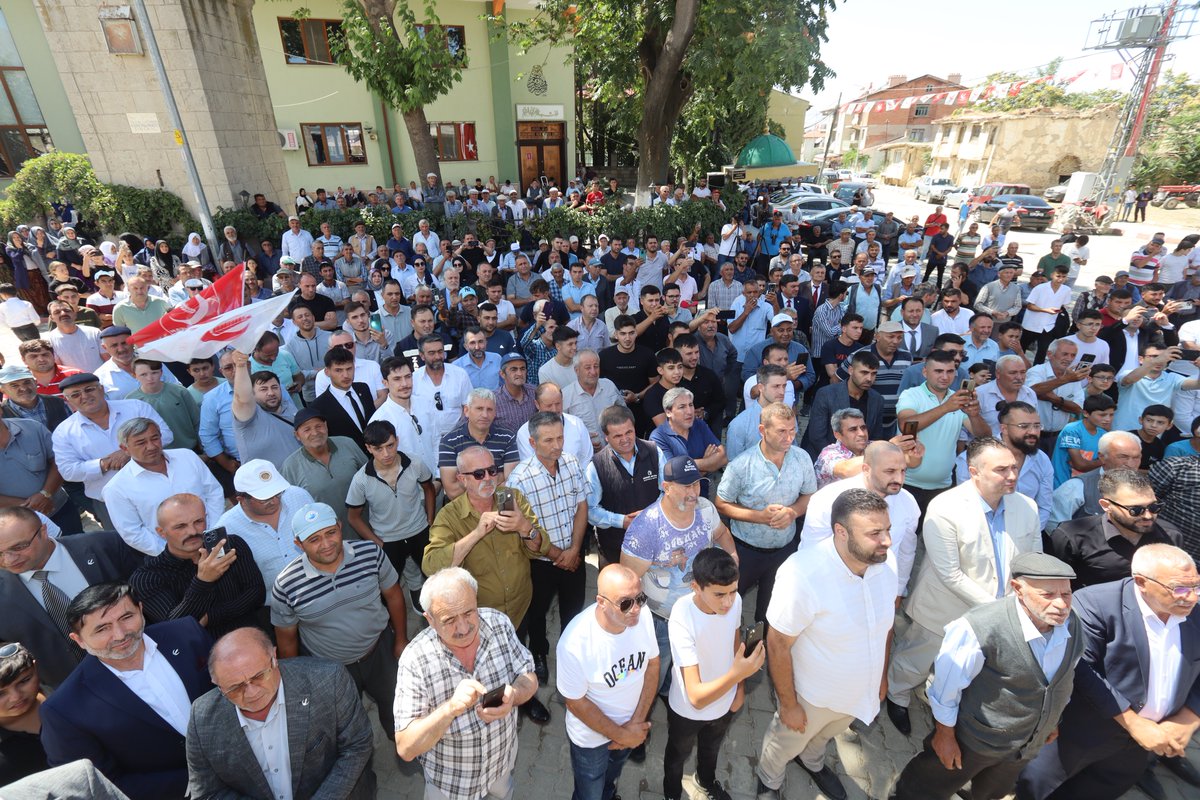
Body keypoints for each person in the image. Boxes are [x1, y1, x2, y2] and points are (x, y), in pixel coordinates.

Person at [891, 552, 1084, 800]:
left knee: (990, 792)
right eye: (1048, 595)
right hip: (973, 741)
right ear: (1018, 589)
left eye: (1066, 594)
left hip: (1023, 747)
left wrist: (1050, 721)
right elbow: (945, 689)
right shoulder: (980, 627)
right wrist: (945, 735)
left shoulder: (1072, 623)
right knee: (925, 787)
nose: (1061, 604)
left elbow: (1062, 679)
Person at [886, 437, 1044, 736]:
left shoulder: (1027, 507)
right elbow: (950, 574)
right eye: (1001, 470)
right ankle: (897, 695)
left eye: (1014, 467)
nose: (1012, 475)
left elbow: (1034, 560)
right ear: (974, 472)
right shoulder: (945, 507)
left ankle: (942, 702)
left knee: (966, 666)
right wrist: (1000, 611)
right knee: (916, 661)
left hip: (999, 614)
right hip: (944, 609)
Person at [1017, 544, 1200, 799]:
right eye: (1179, 589)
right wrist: (1134, 723)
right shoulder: (1094, 603)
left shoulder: (1195, 612)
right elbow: (1080, 667)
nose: (1191, 597)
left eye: (1196, 586)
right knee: (1039, 790)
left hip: (1141, 746)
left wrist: (1189, 719)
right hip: (1081, 734)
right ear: (1141, 582)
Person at [755, 489, 896, 800]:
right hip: (812, 697)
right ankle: (769, 779)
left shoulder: (886, 562)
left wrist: (881, 677)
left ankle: (812, 761)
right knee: (785, 742)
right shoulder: (803, 574)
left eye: (888, 529)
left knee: (824, 737)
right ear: (841, 532)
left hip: (858, 693)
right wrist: (789, 705)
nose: (886, 540)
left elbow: (886, 628)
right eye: (874, 533)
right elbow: (777, 643)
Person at [39, 583, 212, 800]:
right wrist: (198, 781)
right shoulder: (64, 709)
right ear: (79, 640)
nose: (120, 634)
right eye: (102, 629)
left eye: (126, 617)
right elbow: (98, 786)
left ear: (141, 609)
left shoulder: (187, 633)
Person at [422, 445, 554, 724]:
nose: (489, 478)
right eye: (479, 474)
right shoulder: (450, 515)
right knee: (489, 666)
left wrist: (524, 528)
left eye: (493, 470)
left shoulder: (511, 498)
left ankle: (523, 698)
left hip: (519, 606)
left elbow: (540, 547)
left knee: (518, 654)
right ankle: (492, 709)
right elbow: (432, 566)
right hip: (482, 616)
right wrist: (476, 533)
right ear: (462, 479)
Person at [394, 567, 539, 798]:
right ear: (430, 620)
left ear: (476, 600)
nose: (463, 628)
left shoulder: (499, 624)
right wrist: (450, 709)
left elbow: (528, 675)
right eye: (449, 620)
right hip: (452, 787)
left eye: (469, 612)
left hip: (501, 769)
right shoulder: (415, 660)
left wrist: (514, 695)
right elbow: (406, 747)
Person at [186, 627, 376, 800]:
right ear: (219, 687)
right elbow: (207, 792)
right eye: (235, 688)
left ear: (274, 658)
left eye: (259, 676)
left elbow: (357, 745)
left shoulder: (328, 679)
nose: (251, 693)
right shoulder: (201, 719)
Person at [271, 502, 407, 738]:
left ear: (340, 526)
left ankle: (404, 748)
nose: (326, 544)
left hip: (379, 651)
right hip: (329, 668)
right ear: (298, 544)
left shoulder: (370, 553)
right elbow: (287, 640)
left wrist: (401, 640)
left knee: (398, 709)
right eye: (314, 539)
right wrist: (297, 681)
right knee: (345, 727)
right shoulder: (286, 584)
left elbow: (394, 595)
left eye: (331, 533)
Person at [0, 507, 141, 688]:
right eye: (0, 554)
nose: (9, 560)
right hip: (74, 689)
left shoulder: (105, 546)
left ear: (43, 531)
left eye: (19, 547)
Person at [663, 548, 763, 800]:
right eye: (719, 594)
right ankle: (672, 792)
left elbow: (735, 641)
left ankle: (706, 780)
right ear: (696, 587)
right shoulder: (681, 616)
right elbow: (696, 697)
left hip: (725, 702)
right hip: (687, 711)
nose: (728, 602)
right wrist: (737, 676)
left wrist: (739, 689)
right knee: (677, 755)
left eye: (733, 591)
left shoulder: (734, 601)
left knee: (711, 749)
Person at [557, 563, 659, 800]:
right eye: (625, 603)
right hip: (591, 739)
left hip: (631, 724)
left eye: (640, 598)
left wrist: (636, 722)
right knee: (590, 791)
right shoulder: (574, 644)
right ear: (601, 602)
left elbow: (653, 665)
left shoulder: (643, 616)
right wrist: (622, 735)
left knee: (611, 776)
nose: (635, 609)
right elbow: (575, 703)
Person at [715, 401, 816, 622]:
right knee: (729, 607)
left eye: (793, 430)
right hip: (746, 551)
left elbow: (809, 495)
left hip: (785, 551)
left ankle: (762, 640)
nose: (789, 437)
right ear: (763, 430)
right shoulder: (741, 465)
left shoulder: (802, 458)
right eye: (781, 431)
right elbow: (721, 503)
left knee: (772, 612)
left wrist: (793, 512)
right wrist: (759, 517)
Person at [508, 411, 589, 688]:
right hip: (540, 563)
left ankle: (571, 653)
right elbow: (523, 530)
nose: (557, 446)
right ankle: (539, 653)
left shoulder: (572, 463)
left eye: (560, 438)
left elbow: (582, 506)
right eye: (548, 440)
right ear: (532, 443)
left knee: (574, 609)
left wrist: (575, 549)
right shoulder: (519, 480)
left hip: (574, 555)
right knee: (537, 613)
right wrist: (559, 555)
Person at [130, 492, 264, 636]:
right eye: (180, 526)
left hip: (252, 637)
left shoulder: (231, 545)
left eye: (198, 521)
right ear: (161, 532)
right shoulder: (147, 578)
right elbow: (176, 626)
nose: (192, 531)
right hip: (202, 648)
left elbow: (257, 594)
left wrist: (211, 617)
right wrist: (203, 581)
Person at [53, 373, 175, 530]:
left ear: (102, 389)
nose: (85, 396)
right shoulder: (64, 432)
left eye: (89, 389)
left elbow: (165, 434)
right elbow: (68, 471)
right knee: (127, 543)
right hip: (110, 503)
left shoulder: (135, 407)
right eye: (75, 394)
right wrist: (103, 464)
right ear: (67, 400)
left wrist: (128, 453)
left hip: (159, 489)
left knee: (176, 532)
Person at [800, 440, 921, 597]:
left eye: (903, 471)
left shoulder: (908, 502)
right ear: (866, 469)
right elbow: (810, 553)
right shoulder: (827, 499)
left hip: (881, 591)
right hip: (833, 591)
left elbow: (906, 552)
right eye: (890, 471)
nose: (898, 479)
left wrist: (898, 590)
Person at [347, 420, 436, 612]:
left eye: (390, 445)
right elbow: (353, 517)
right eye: (378, 449)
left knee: (435, 576)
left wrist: (430, 520)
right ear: (368, 448)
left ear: (397, 440)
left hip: (420, 531)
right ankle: (396, 618)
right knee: (389, 587)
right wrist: (378, 542)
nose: (386, 454)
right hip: (388, 541)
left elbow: (429, 488)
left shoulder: (415, 463)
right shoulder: (361, 480)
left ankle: (435, 607)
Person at [101, 418, 224, 556]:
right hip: (171, 557)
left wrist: (212, 535)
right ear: (125, 449)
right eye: (141, 443)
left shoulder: (187, 457)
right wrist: (176, 554)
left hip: (215, 543)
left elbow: (214, 493)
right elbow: (133, 532)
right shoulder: (116, 488)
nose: (151, 446)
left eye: (155, 438)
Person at [1045, 468, 1183, 591]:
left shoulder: (1171, 536)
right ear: (1106, 506)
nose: (1148, 516)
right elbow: (1055, 587)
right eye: (1136, 510)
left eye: (1154, 507)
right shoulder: (1072, 537)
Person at [896, 350, 991, 509]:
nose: (945, 377)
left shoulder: (957, 399)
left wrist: (974, 415)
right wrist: (946, 407)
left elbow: (984, 436)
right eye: (938, 371)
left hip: (943, 487)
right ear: (925, 372)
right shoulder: (911, 395)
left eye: (950, 371)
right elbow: (906, 425)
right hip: (906, 483)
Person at [954, 401, 1054, 531]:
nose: (1033, 432)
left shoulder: (1042, 459)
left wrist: (1029, 534)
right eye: (1024, 426)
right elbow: (966, 506)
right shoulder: (972, 459)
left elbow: (1044, 507)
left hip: (1027, 533)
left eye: (1037, 426)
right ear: (1004, 429)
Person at [585, 405, 662, 567]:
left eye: (629, 432)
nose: (625, 439)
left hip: (655, 542)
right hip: (615, 548)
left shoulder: (655, 452)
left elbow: (668, 490)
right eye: (618, 436)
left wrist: (651, 514)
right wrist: (622, 521)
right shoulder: (596, 466)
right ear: (606, 437)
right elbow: (590, 510)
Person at [280, 408, 367, 532]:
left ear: (326, 426)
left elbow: (371, 477)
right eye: (307, 429)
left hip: (370, 527)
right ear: (297, 435)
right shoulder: (290, 466)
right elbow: (291, 508)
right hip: (329, 538)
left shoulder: (347, 444)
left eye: (318, 426)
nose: (315, 433)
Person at [0, 414, 80, 534]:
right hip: (16, 525)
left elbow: (60, 460)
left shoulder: (32, 428)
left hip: (59, 509)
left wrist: (45, 494)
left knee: (77, 542)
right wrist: (27, 506)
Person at [802, 350, 885, 457]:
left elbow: (876, 438)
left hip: (861, 460)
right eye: (864, 373)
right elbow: (817, 437)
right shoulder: (826, 394)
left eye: (873, 374)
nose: (869, 378)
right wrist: (842, 460)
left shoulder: (877, 399)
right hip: (826, 458)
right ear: (851, 370)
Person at [370, 356, 440, 476]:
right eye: (397, 379)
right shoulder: (380, 419)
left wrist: (438, 475)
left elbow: (436, 439)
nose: (405, 384)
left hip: (436, 477)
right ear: (385, 383)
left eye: (408, 377)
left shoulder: (426, 403)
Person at [125, 359, 201, 452]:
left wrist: (204, 448)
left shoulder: (179, 391)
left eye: (154, 373)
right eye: (143, 374)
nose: (150, 378)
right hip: (154, 453)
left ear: (161, 372)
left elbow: (197, 421)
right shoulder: (131, 401)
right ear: (134, 375)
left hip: (190, 449)